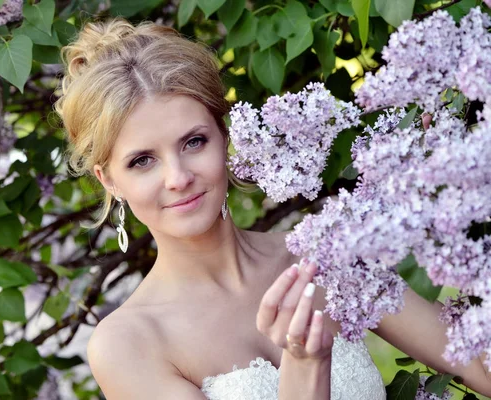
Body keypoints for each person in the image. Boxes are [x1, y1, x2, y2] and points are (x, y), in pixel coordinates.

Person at [54, 18, 491, 400]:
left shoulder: (323, 254)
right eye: (142, 161)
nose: (178, 177)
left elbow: (480, 363)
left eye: (193, 142)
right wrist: (306, 366)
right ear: (109, 179)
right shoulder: (127, 344)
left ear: (224, 138)